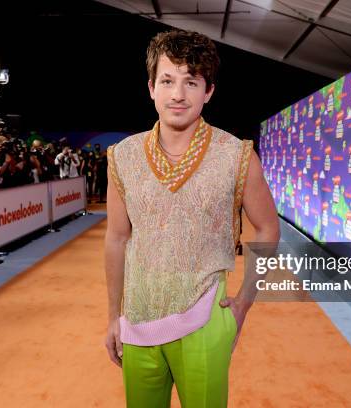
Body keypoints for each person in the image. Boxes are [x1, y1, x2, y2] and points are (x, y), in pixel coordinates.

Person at [104, 30, 279, 408]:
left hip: (204, 322)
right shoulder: (122, 156)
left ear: (208, 91)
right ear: (151, 87)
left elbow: (268, 227)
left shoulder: (237, 155)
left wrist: (245, 301)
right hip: (136, 322)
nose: (178, 94)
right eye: (167, 80)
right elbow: (117, 238)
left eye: (191, 82)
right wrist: (112, 317)